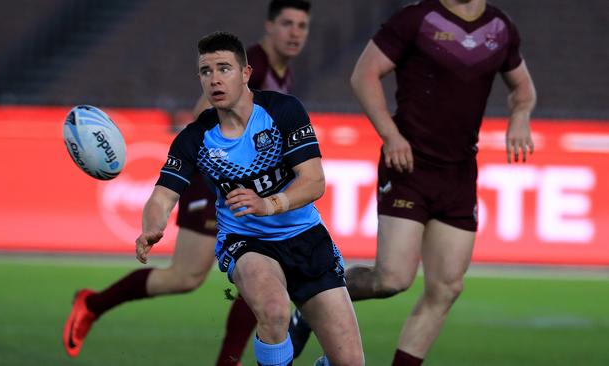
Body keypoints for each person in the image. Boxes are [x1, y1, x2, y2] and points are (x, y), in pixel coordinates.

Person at [62, 1, 312, 365]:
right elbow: (201, 118)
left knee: (252, 271)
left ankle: (225, 359)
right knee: (190, 275)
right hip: (216, 183)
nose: (295, 33)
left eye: (302, 26)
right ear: (269, 27)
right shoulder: (251, 66)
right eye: (287, 23)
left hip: (243, 190)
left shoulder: (280, 73)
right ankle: (92, 304)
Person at [290, 0, 537, 364]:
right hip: (409, 166)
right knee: (390, 279)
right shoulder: (418, 19)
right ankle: (313, 300)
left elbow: (523, 87)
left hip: (458, 174)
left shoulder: (500, 29)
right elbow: (364, 74)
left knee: (447, 287)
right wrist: (391, 136)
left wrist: (521, 115)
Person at [136, 31, 364, 365]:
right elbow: (162, 196)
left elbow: (314, 181)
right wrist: (150, 227)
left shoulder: (282, 111)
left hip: (306, 237)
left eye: (224, 68)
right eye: (206, 71)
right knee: (274, 311)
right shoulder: (195, 137)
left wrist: (268, 204)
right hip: (247, 241)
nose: (214, 79)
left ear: (245, 74)